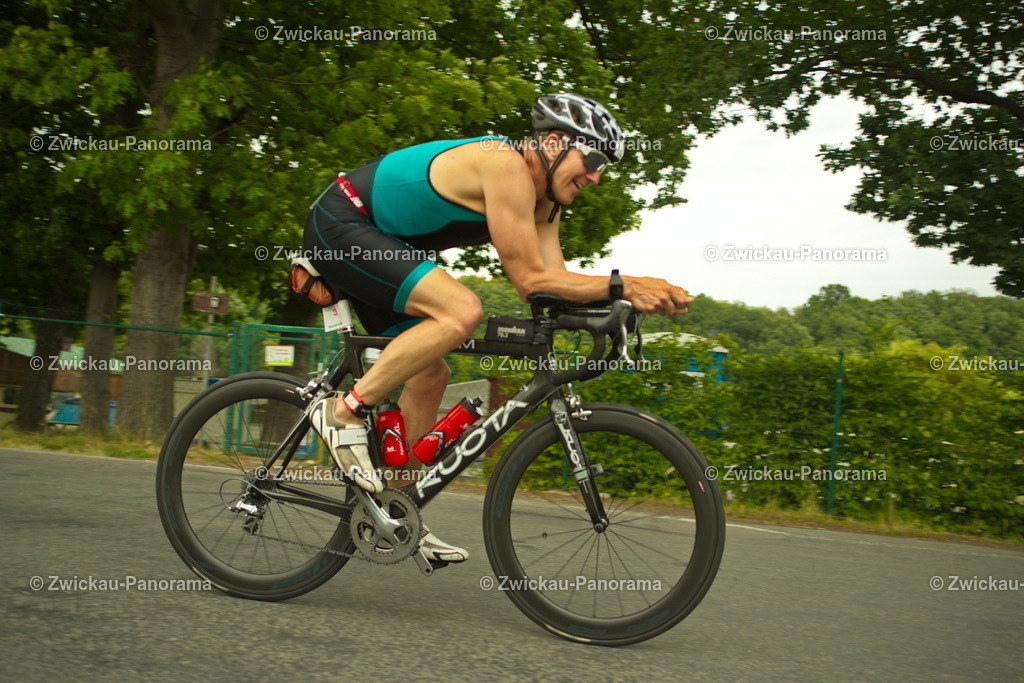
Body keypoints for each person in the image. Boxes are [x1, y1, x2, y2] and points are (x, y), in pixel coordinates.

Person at [302, 93, 693, 563]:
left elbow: (551, 286)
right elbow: (530, 278)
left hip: (380, 241)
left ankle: (394, 509)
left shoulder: (545, 204)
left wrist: (619, 304)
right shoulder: (505, 165)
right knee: (461, 310)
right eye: (591, 159)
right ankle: (343, 411)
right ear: (552, 143)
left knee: (431, 374)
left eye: (602, 167)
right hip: (343, 222)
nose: (594, 176)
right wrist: (625, 282)